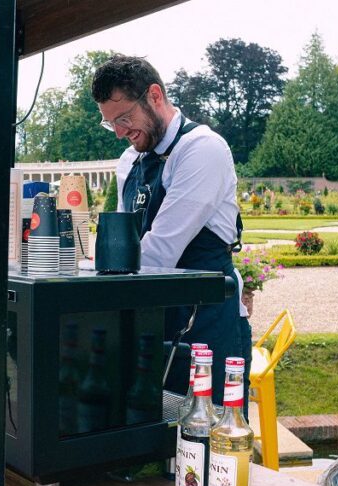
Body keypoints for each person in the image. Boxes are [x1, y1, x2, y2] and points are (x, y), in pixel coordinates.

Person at [91, 54, 251, 406]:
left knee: (207, 444)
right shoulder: (129, 162)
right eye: (110, 123)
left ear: (155, 96)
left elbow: (160, 251)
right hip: (153, 322)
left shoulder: (202, 149)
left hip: (208, 323)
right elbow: (124, 246)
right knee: (156, 443)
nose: (119, 132)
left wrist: (90, 291)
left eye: (124, 118)